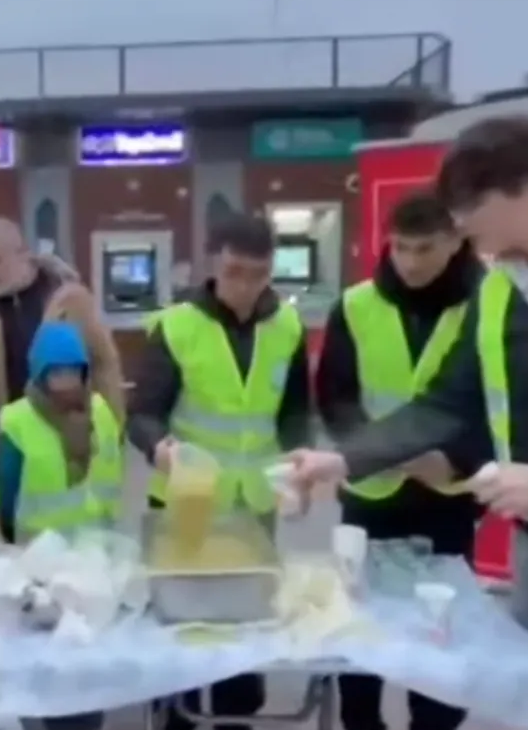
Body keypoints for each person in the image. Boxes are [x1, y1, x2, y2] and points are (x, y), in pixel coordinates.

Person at [286, 115, 528, 645]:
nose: (468, 235)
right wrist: (342, 459)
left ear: (525, 188)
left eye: (470, 214)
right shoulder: (503, 292)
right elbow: (445, 402)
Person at [128, 214, 313, 730]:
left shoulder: (288, 327)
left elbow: (295, 410)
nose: (246, 287)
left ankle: (237, 718)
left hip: (255, 502)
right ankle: (177, 722)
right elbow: (142, 413)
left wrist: (299, 460)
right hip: (187, 498)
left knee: (244, 631)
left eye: (258, 274)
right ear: (212, 264)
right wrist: (159, 447)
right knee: (183, 635)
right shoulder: (176, 326)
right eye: (234, 272)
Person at [315, 189, 482, 730]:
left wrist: (456, 460)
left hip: (445, 495)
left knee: (441, 631)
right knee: (361, 628)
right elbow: (335, 394)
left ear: (455, 241)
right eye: (401, 247)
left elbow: (497, 403)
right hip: (371, 496)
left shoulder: (485, 305)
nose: (410, 262)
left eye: (424, 248)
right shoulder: (356, 305)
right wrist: (371, 450)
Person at [0, 320, 123, 730]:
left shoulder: (100, 414)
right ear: (39, 374)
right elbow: (5, 496)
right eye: (56, 373)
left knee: (85, 672)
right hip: (39, 570)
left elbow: (112, 478)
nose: (67, 383)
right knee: (43, 673)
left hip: (91, 562)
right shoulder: (16, 422)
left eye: (73, 372)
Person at [0, 217, 125, 423]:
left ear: (22, 254)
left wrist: (114, 425)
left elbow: (104, 366)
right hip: (8, 434)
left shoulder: (70, 299)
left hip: (70, 431)